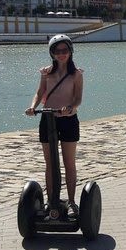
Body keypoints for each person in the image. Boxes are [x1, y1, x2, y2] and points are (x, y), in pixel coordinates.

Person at [25, 34, 83, 218]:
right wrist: (33, 107)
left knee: (68, 163)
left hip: (68, 119)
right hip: (48, 118)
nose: (61, 54)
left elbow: (78, 98)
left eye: (65, 50)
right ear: (52, 53)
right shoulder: (46, 72)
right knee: (50, 163)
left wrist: (71, 107)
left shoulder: (77, 74)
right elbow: (39, 92)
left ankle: (72, 201)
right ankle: (51, 202)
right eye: (57, 51)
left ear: (70, 51)